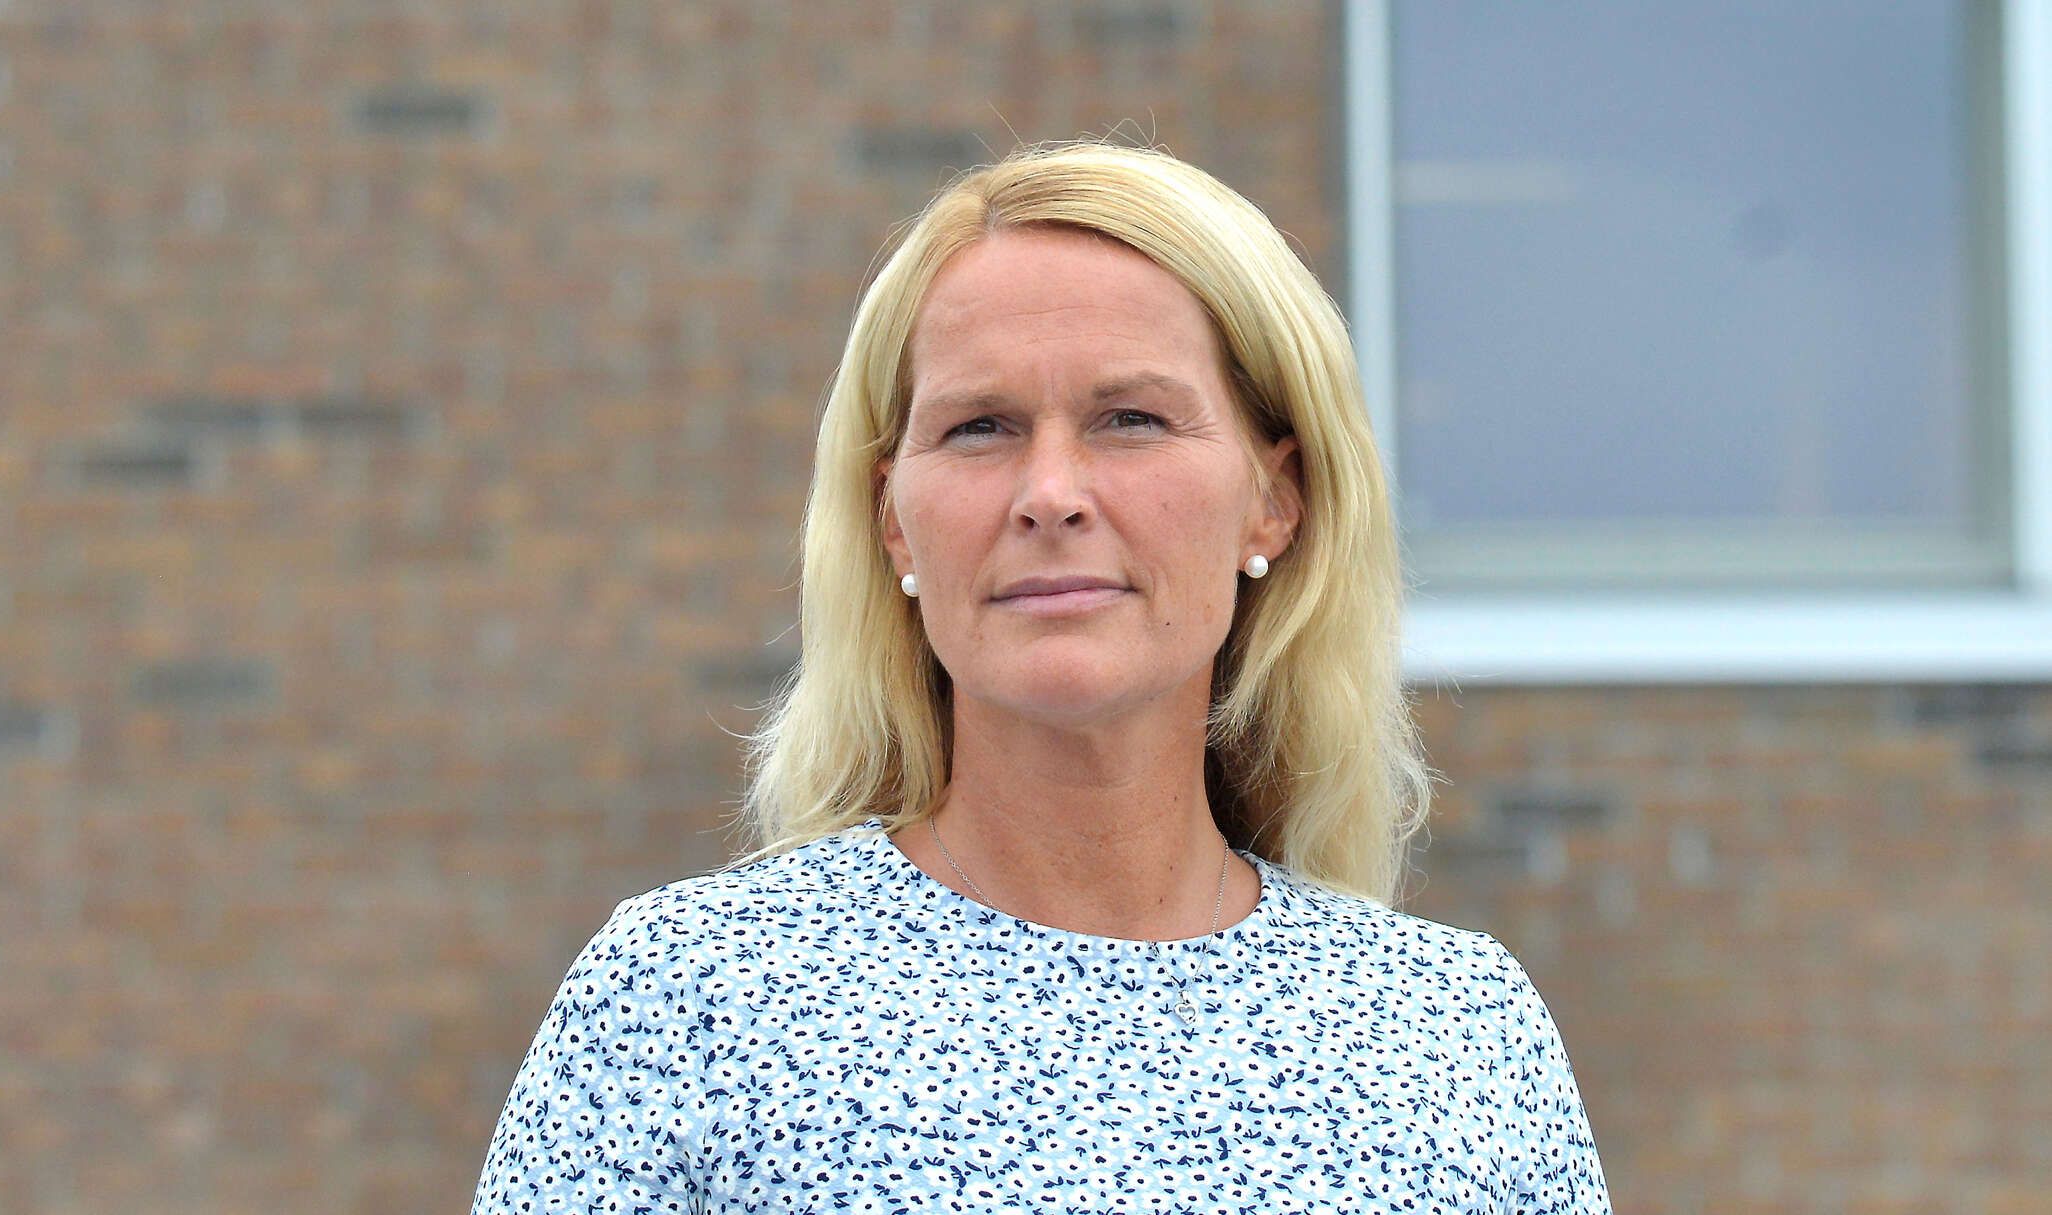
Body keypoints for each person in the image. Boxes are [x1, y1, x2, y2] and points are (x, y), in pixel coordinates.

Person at [472, 140, 1612, 1212]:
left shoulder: (1456, 1038)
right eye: (980, 428)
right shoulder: (689, 1002)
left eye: (1130, 418)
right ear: (894, 521)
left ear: (1273, 501)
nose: (1050, 494)